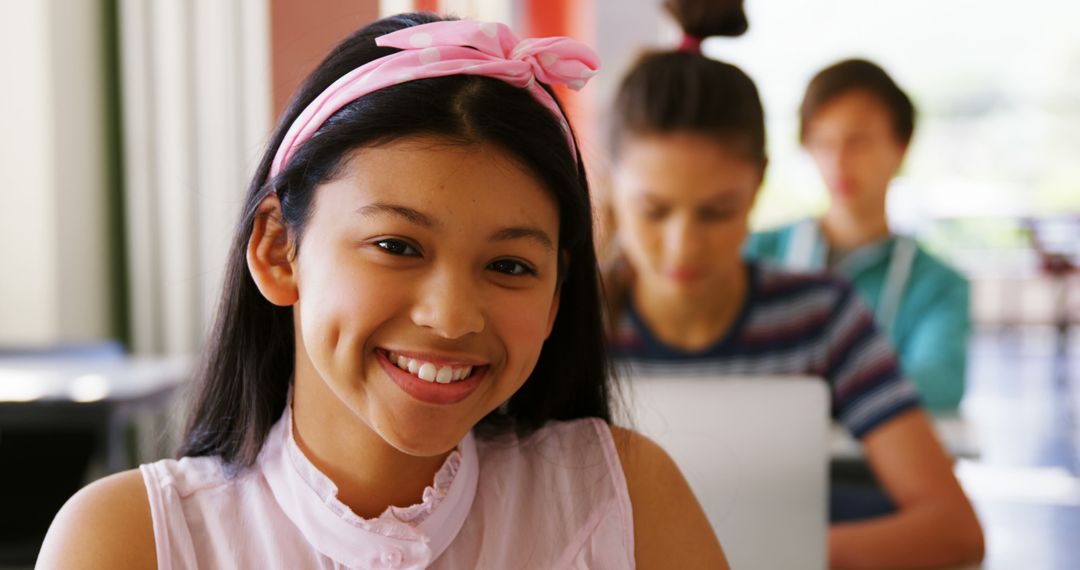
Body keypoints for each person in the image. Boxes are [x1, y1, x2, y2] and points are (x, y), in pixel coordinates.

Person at [37, 14, 727, 569]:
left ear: (555, 298)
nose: (452, 316)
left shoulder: (624, 497)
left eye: (510, 266)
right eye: (397, 247)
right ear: (279, 249)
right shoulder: (130, 541)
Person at [602, 7, 983, 569]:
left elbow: (955, 530)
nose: (683, 247)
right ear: (611, 183)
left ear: (758, 183)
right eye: (653, 211)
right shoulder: (568, 319)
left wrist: (789, 552)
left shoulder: (821, 314)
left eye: (717, 212)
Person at [745, 59, 971, 412]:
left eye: (858, 141)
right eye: (823, 142)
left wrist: (802, 394)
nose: (839, 160)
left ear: (901, 147)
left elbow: (940, 382)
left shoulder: (939, 285)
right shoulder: (755, 252)